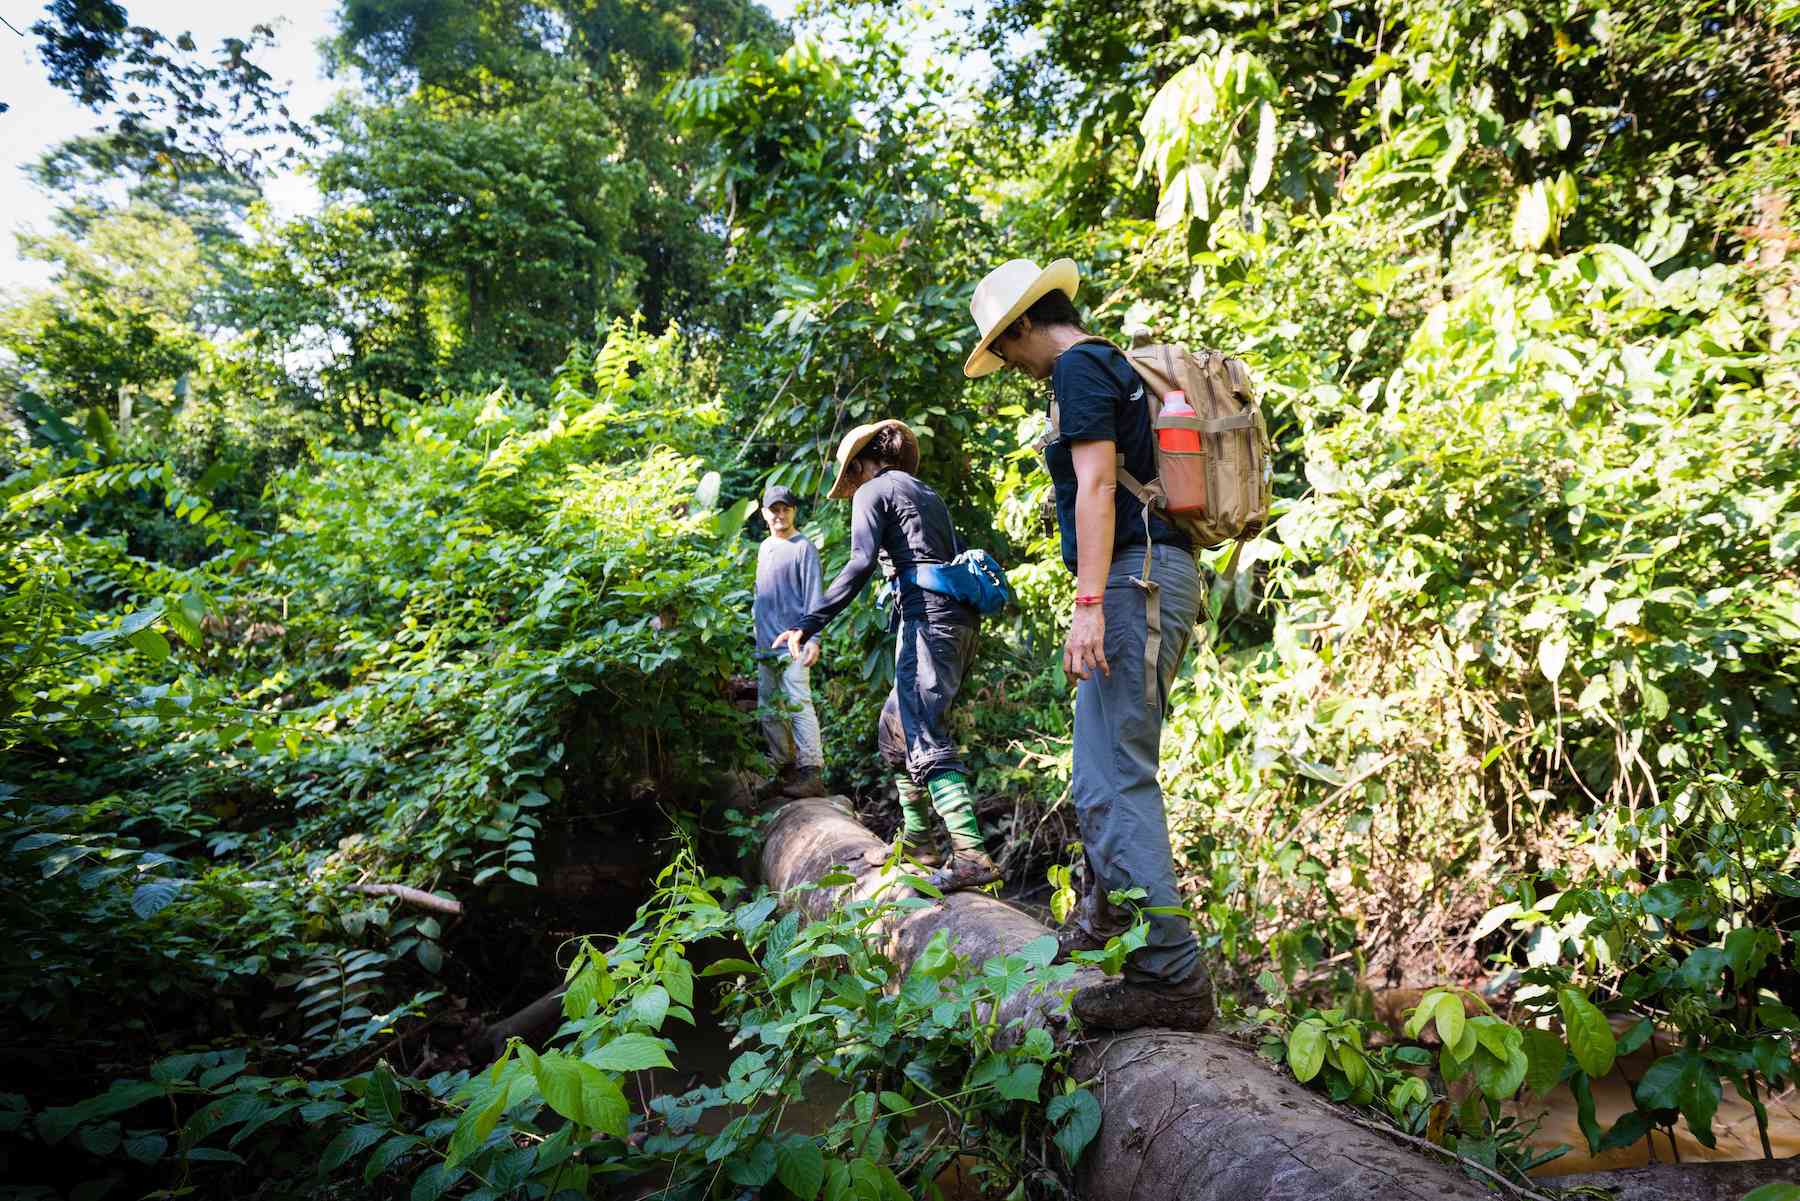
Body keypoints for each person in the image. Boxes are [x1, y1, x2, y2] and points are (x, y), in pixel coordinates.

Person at [963, 257, 1214, 1031]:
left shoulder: (1076, 369)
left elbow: (1099, 485)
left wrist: (1089, 603)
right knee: (1102, 768)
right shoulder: (1107, 362)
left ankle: (1171, 975)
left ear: (1025, 326)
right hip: (1150, 575)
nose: (1010, 364)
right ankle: (1107, 925)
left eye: (1005, 350)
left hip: (1133, 580)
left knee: (1113, 780)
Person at [772, 420, 998, 892]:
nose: (850, 487)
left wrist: (808, 624)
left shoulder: (872, 491)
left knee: (922, 732)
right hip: (955, 621)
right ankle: (920, 843)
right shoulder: (925, 493)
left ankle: (971, 854)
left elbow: (859, 563)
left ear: (859, 464)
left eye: (850, 477)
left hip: (928, 621)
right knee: (895, 731)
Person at [752, 483, 827, 800]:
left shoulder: (803, 547)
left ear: (794, 511)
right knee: (768, 709)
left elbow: (815, 595)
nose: (780, 514)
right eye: (774, 509)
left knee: (799, 704)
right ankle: (783, 769)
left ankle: (812, 771)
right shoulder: (765, 547)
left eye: (786, 508)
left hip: (796, 642)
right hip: (766, 646)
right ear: (764, 513)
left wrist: (814, 637)